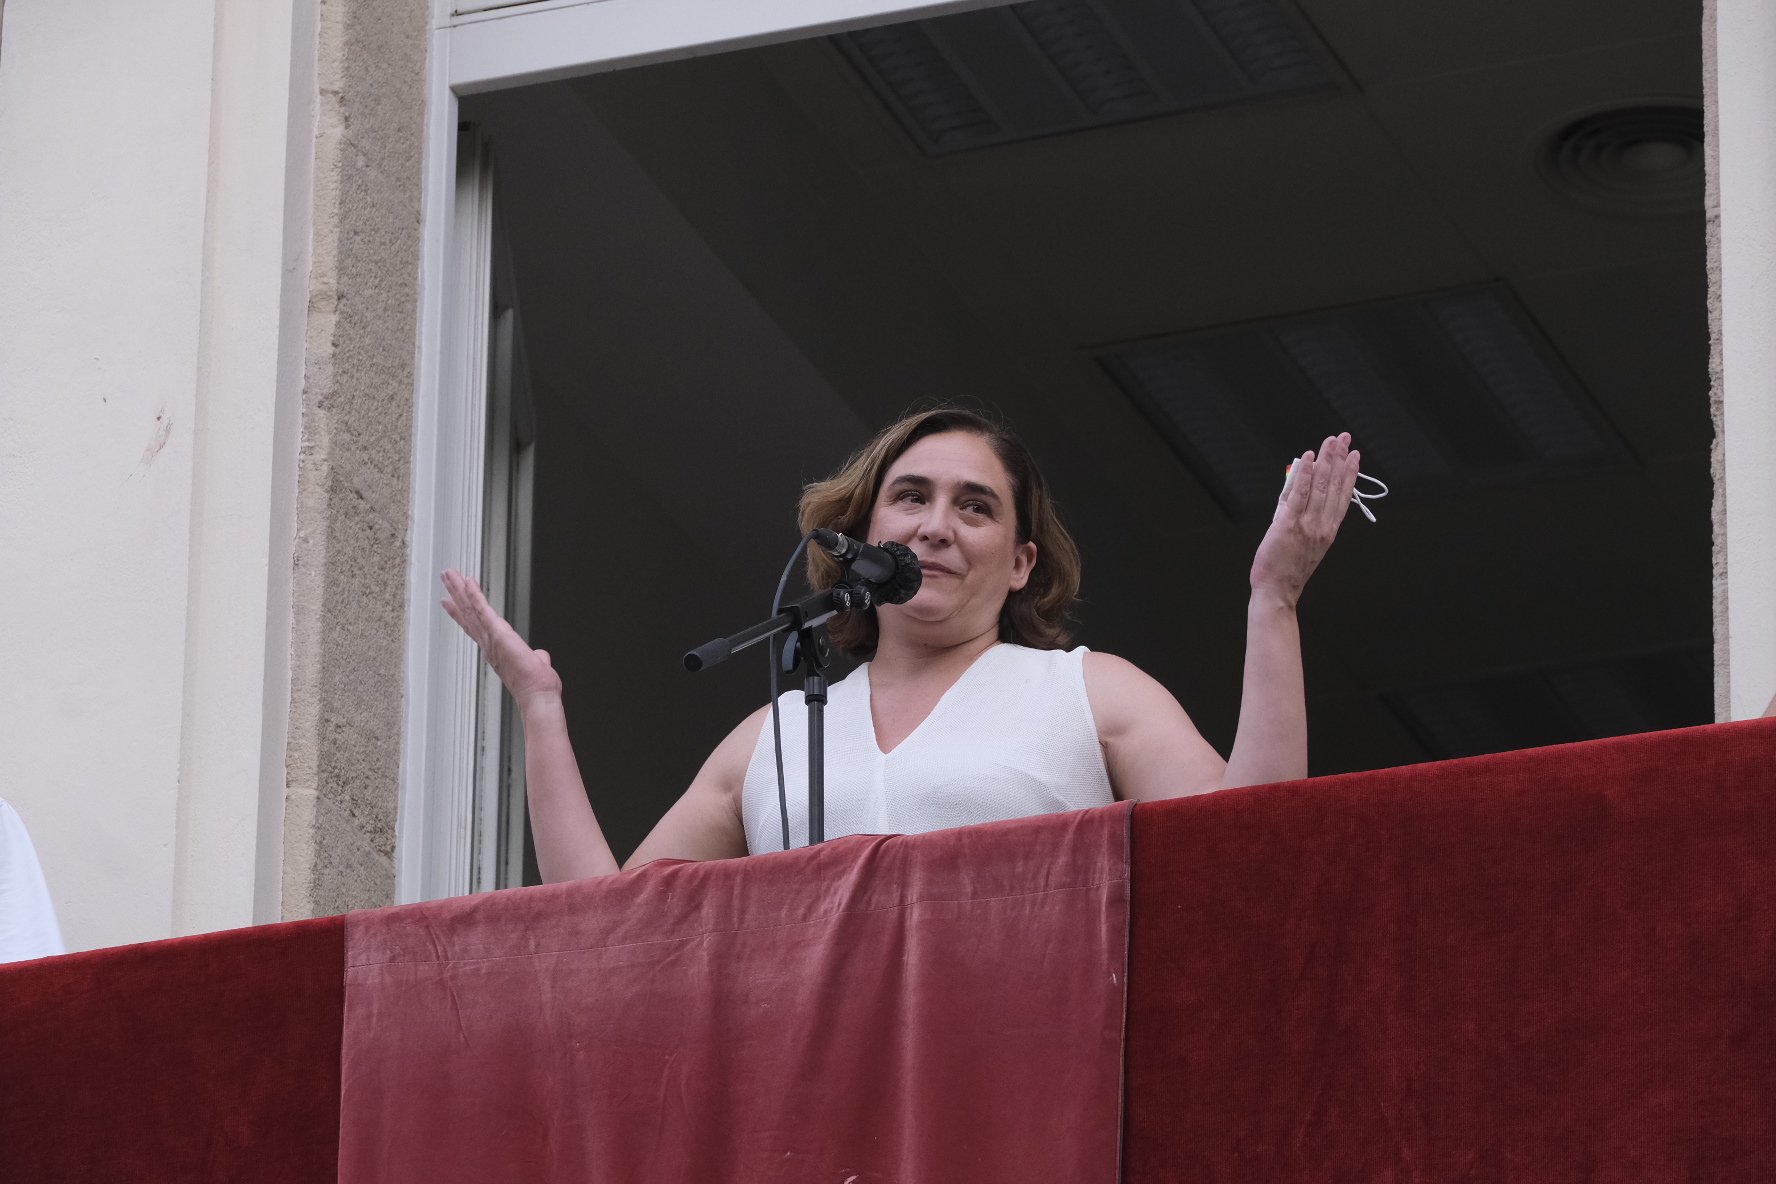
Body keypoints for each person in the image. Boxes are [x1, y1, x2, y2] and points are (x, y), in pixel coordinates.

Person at [442, 407, 1361, 881]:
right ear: (862, 531)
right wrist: (540, 710)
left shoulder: (1087, 691)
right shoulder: (776, 733)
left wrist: (1272, 600)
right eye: (911, 497)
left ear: (1018, 563)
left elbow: (1255, 839)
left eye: (975, 507)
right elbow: (609, 928)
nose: (935, 527)